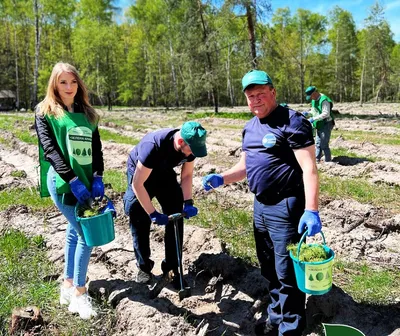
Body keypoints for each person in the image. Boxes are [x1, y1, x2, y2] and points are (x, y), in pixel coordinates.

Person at [202, 70, 322, 336]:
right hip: (260, 207)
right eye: (250, 96)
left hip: (286, 206)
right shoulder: (250, 127)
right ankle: (276, 319)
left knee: (287, 273)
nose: (255, 100)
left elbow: (309, 168)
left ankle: (290, 329)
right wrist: (222, 178)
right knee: (269, 269)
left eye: (260, 94)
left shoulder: (292, 122)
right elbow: (245, 166)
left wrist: (311, 209)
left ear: (273, 92)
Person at [35, 62, 104, 319]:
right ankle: (79, 294)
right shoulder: (45, 113)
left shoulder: (87, 113)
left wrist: (98, 177)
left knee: (74, 233)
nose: (69, 87)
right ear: (55, 84)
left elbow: (97, 149)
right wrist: (72, 178)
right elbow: (50, 150)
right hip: (63, 182)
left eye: (73, 82)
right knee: (86, 234)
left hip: (86, 179)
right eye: (63, 82)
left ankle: (67, 285)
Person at [123, 121, 207, 287]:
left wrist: (188, 202)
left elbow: (187, 176)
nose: (192, 154)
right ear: (181, 142)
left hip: (164, 173)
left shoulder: (191, 147)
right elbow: (137, 184)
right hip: (141, 177)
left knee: (176, 214)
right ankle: (144, 267)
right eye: (191, 150)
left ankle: (171, 268)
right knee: (139, 215)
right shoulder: (153, 147)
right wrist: (152, 212)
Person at [304, 86, 335, 163]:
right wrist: (308, 113)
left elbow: (326, 113)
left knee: (324, 144)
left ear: (314, 93)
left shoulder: (324, 100)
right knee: (317, 143)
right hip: (319, 123)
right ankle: (317, 159)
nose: (311, 98)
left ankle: (328, 160)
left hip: (326, 123)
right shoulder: (314, 100)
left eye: (311, 96)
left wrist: (313, 119)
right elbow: (314, 111)